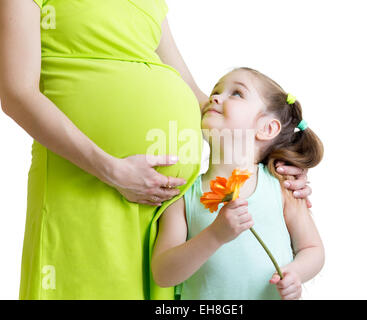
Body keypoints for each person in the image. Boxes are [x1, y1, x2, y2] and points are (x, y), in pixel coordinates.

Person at [0, 0, 311, 300]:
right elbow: (17, 93)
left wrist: (276, 153)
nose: (220, 98)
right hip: (84, 183)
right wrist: (113, 170)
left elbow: (195, 94)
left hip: (160, 203)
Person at [151, 67, 325, 300]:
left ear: (267, 128)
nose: (215, 97)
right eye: (216, 90)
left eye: (236, 94)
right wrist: (215, 235)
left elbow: (312, 249)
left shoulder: (281, 186)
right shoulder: (183, 195)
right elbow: (163, 273)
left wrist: (296, 273)